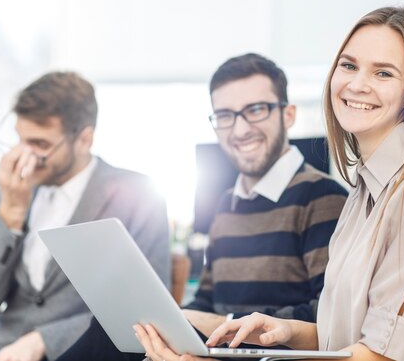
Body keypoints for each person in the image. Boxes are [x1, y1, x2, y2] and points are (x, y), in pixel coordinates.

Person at [135, 7, 404, 361]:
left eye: (383, 73)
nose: (357, 84)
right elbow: (346, 340)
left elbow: (379, 355)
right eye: (349, 66)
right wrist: (285, 330)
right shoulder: (365, 190)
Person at [57, 53, 348, 360]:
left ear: (288, 114)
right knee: (123, 329)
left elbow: (326, 316)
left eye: (256, 110)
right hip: (217, 350)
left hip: (266, 356)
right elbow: (207, 301)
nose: (239, 130)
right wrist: (175, 322)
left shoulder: (322, 197)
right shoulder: (226, 204)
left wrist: (223, 325)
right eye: (225, 115)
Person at [0, 72, 170, 361]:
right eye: (19, 139)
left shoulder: (137, 196)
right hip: (0, 353)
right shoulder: (5, 197)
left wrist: (45, 339)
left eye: (40, 145)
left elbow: (149, 312)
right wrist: (10, 214)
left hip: (83, 353)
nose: (23, 155)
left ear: (84, 139)